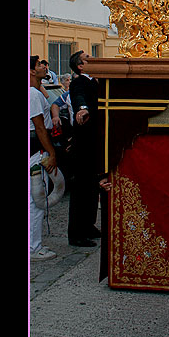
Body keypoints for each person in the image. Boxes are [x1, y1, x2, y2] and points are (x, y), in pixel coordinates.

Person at [67, 50, 102, 247]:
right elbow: (78, 97)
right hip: (84, 143)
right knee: (81, 188)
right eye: (88, 58)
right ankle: (77, 233)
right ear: (80, 66)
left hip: (93, 141)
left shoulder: (94, 80)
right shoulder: (79, 81)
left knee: (91, 186)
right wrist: (82, 108)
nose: (92, 58)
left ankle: (88, 225)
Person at [30, 56, 58, 261]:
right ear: (31, 71)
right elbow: (40, 127)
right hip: (36, 150)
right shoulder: (31, 93)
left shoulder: (36, 91)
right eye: (39, 65)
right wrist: (52, 153)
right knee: (37, 201)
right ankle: (34, 247)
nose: (43, 67)